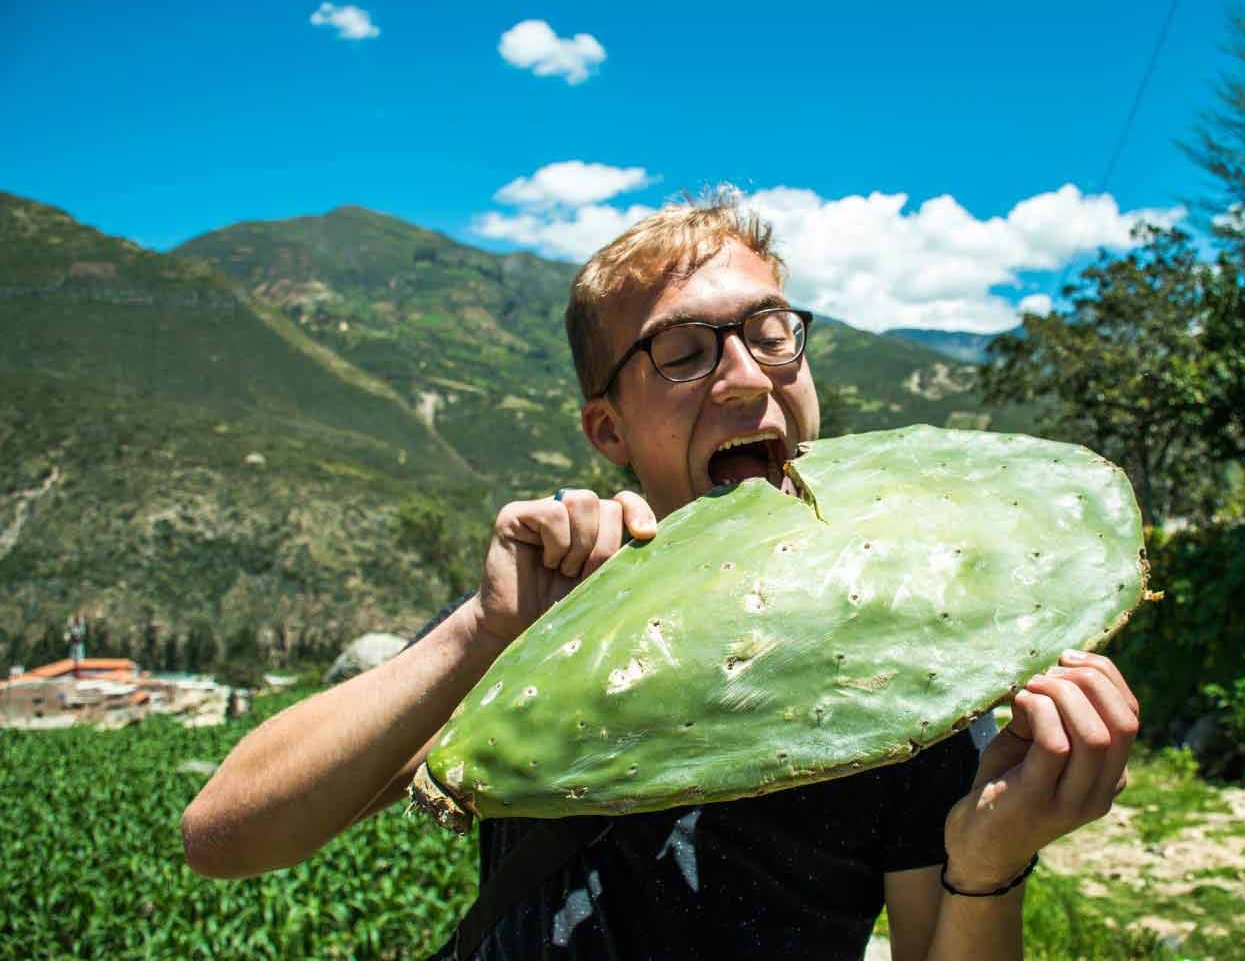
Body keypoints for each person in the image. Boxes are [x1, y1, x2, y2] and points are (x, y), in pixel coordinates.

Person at [181, 195, 1140, 960]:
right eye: (681, 355)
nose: (746, 379)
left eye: (771, 333)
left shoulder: (908, 671)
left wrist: (991, 865)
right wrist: (481, 631)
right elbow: (225, 838)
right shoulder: (556, 611)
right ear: (609, 432)